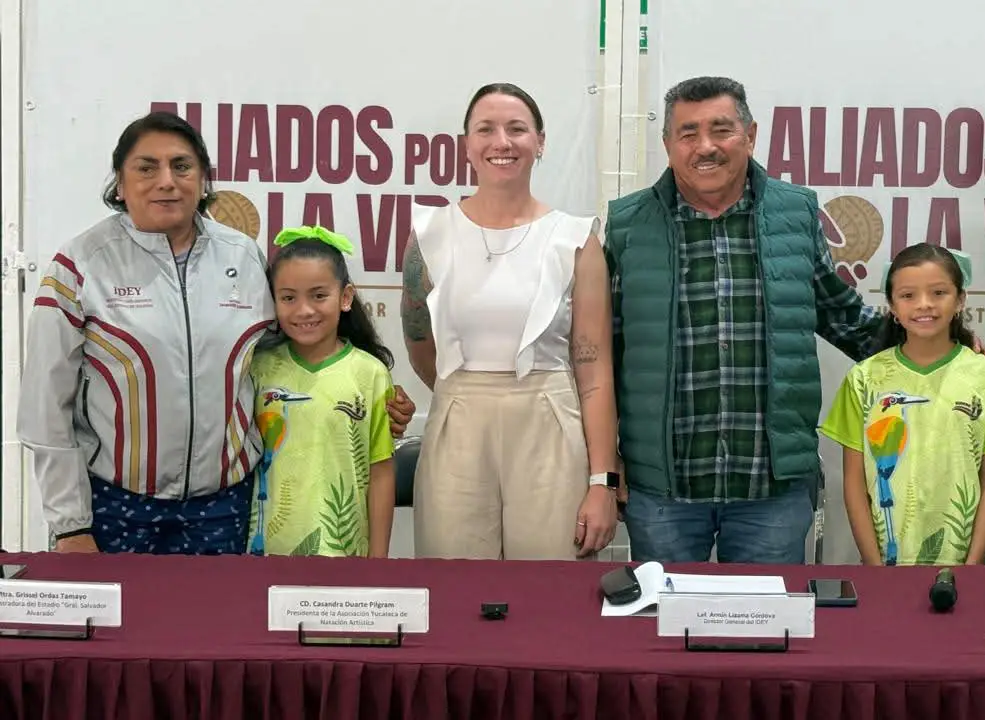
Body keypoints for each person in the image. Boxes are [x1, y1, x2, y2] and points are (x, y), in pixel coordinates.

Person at [17, 110, 415, 555]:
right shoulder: (80, 264)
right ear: (120, 182)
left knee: (217, 625)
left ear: (204, 179)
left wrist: (369, 394)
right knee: (124, 628)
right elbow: (45, 406)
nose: (167, 180)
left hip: (224, 508)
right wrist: (71, 526)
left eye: (182, 166)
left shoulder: (242, 256)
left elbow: (287, 348)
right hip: (114, 505)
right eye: (146, 167)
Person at [604, 76, 887, 564]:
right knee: (660, 633)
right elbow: (604, 352)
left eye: (721, 129)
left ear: (751, 135)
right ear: (667, 143)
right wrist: (605, 465)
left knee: (765, 632)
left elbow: (842, 316)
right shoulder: (628, 223)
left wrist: (945, 347)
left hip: (770, 486)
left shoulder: (794, 212)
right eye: (688, 133)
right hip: (661, 488)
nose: (706, 147)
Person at [400, 82, 620, 560]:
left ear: (540, 142)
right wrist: (467, 394)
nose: (502, 142)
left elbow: (595, 371)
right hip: (458, 420)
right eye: (486, 129)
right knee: (451, 588)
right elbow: (420, 347)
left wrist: (602, 481)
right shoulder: (429, 236)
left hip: (551, 423)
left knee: (553, 591)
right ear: (466, 145)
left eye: (517, 129)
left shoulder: (576, 239)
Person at [818, 245, 985, 566]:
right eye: (908, 295)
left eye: (939, 292)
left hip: (962, 564)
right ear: (892, 305)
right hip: (884, 564)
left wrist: (974, 563)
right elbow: (854, 483)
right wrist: (874, 566)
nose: (925, 304)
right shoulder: (864, 379)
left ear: (960, 299)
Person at [246, 226, 396, 558]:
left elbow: (380, 469)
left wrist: (379, 558)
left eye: (318, 295)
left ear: (345, 297)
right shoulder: (258, 369)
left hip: (344, 551)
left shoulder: (370, 373)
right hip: (265, 552)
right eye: (288, 297)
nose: (304, 310)